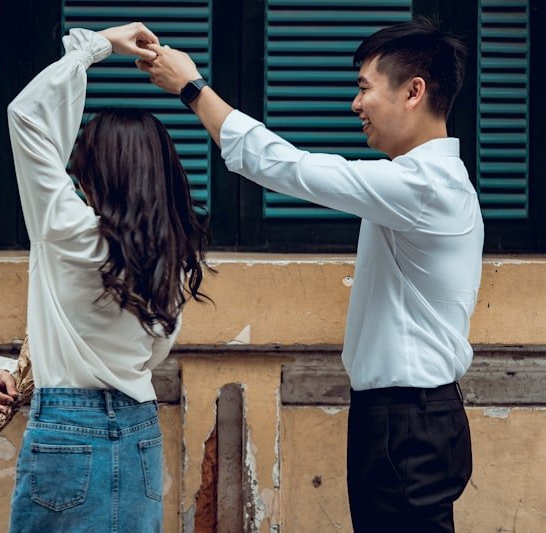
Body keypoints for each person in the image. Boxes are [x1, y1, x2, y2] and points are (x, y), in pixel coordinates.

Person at [138, 16, 483, 532]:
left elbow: (286, 166)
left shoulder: (424, 186)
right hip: (409, 416)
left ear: (413, 92)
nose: (355, 104)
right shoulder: (425, 182)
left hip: (407, 420)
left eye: (364, 88)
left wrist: (192, 88)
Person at [0, 23, 211, 532]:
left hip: (67, 428)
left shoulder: (65, 227)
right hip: (139, 430)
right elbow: (150, 354)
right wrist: (22, 364)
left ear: (92, 172)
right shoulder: (170, 252)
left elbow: (27, 116)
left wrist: (95, 46)